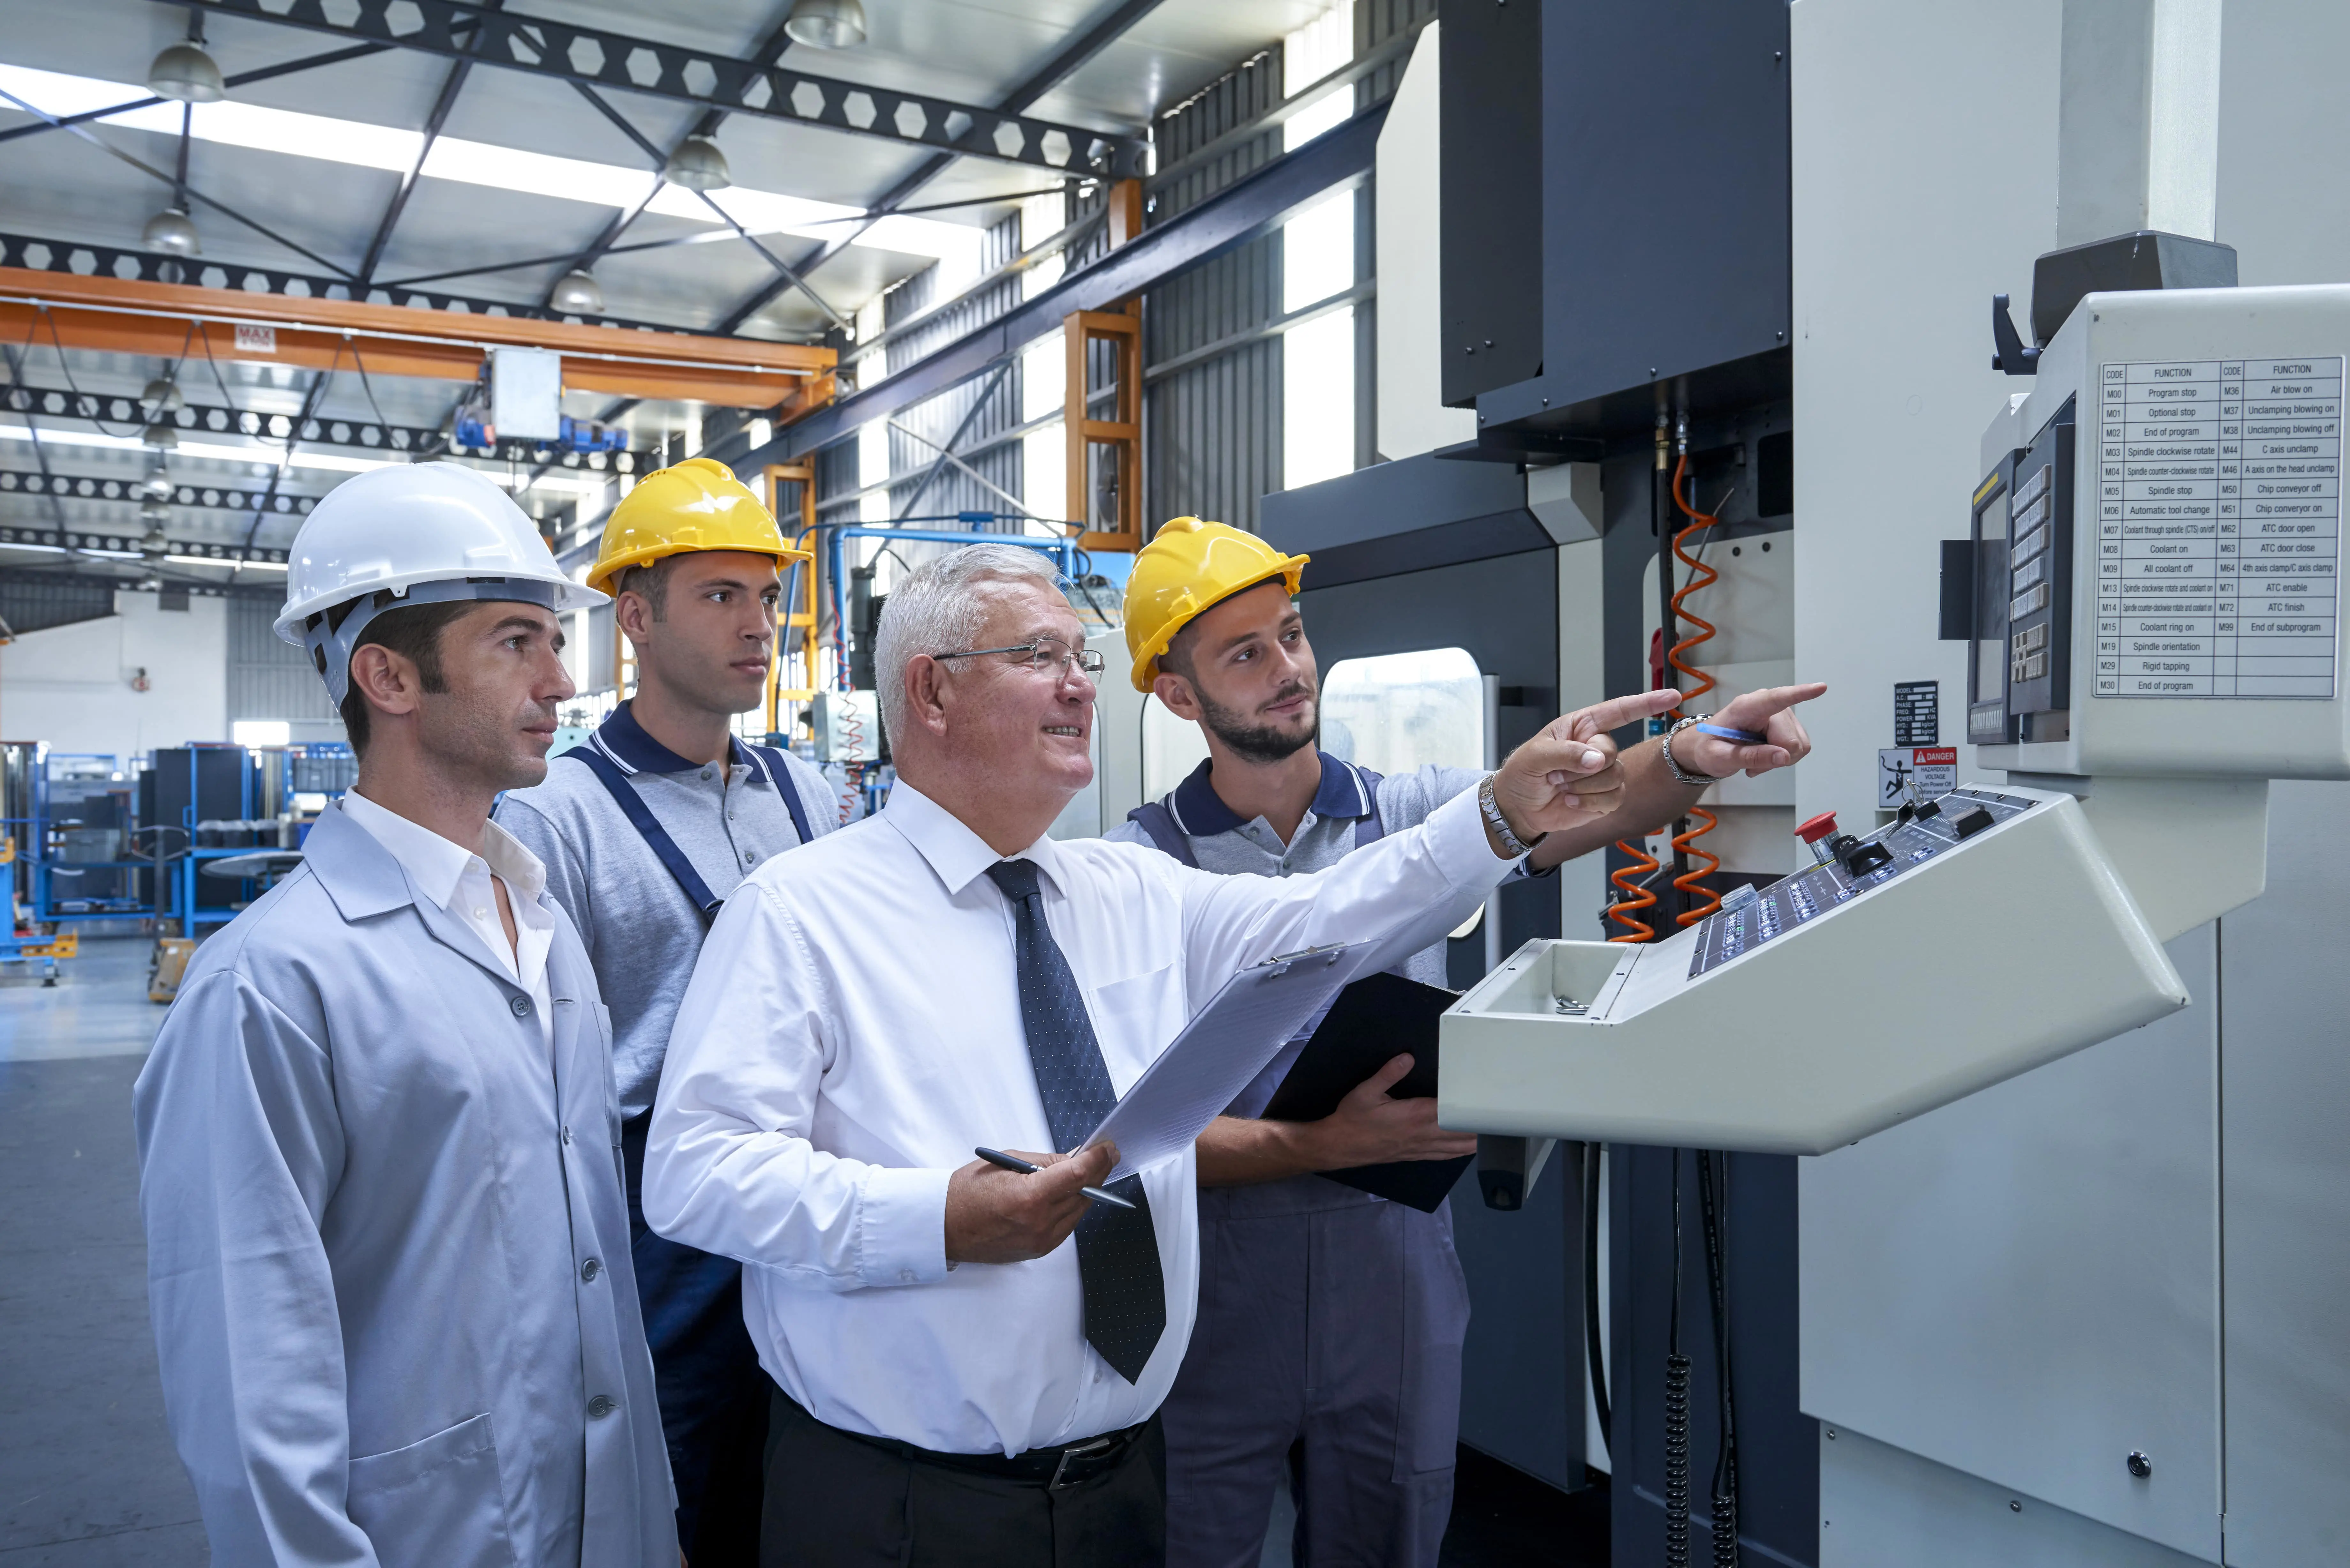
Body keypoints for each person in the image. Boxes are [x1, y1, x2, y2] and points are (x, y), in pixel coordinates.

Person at [641, 542, 1682, 1566]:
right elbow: (697, 1172)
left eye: (1081, 663)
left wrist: (1499, 816)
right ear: (933, 690)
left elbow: (1329, 914)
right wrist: (938, 1219)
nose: (1079, 689)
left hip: (1123, 1487)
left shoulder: (1124, 892)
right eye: (1041, 657)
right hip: (907, 1503)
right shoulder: (801, 913)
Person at [1111, 516, 1823, 1568]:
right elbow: (1128, 1134)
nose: (1288, 670)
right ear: (1177, 695)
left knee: (1392, 1533)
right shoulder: (1139, 868)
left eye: (1293, 635)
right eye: (1245, 653)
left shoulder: (1414, 813)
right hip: (1218, 1272)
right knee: (1194, 1543)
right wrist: (1317, 1146)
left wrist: (1691, 752)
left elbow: (1585, 807)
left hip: (1390, 1262)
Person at [133, 462, 675, 1567]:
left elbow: (597, 1284)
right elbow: (250, 1379)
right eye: (517, 641)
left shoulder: (542, 931)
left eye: (553, 643)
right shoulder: (270, 987)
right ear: (387, 674)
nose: (562, 682)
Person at [496, 457, 838, 1564]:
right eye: (721, 596)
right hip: (659, 1221)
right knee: (677, 1495)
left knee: (804, 1477)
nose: (759, 627)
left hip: (808, 1178)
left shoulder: (809, 794)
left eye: (768, 597)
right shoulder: (560, 817)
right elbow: (542, 1073)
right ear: (635, 617)